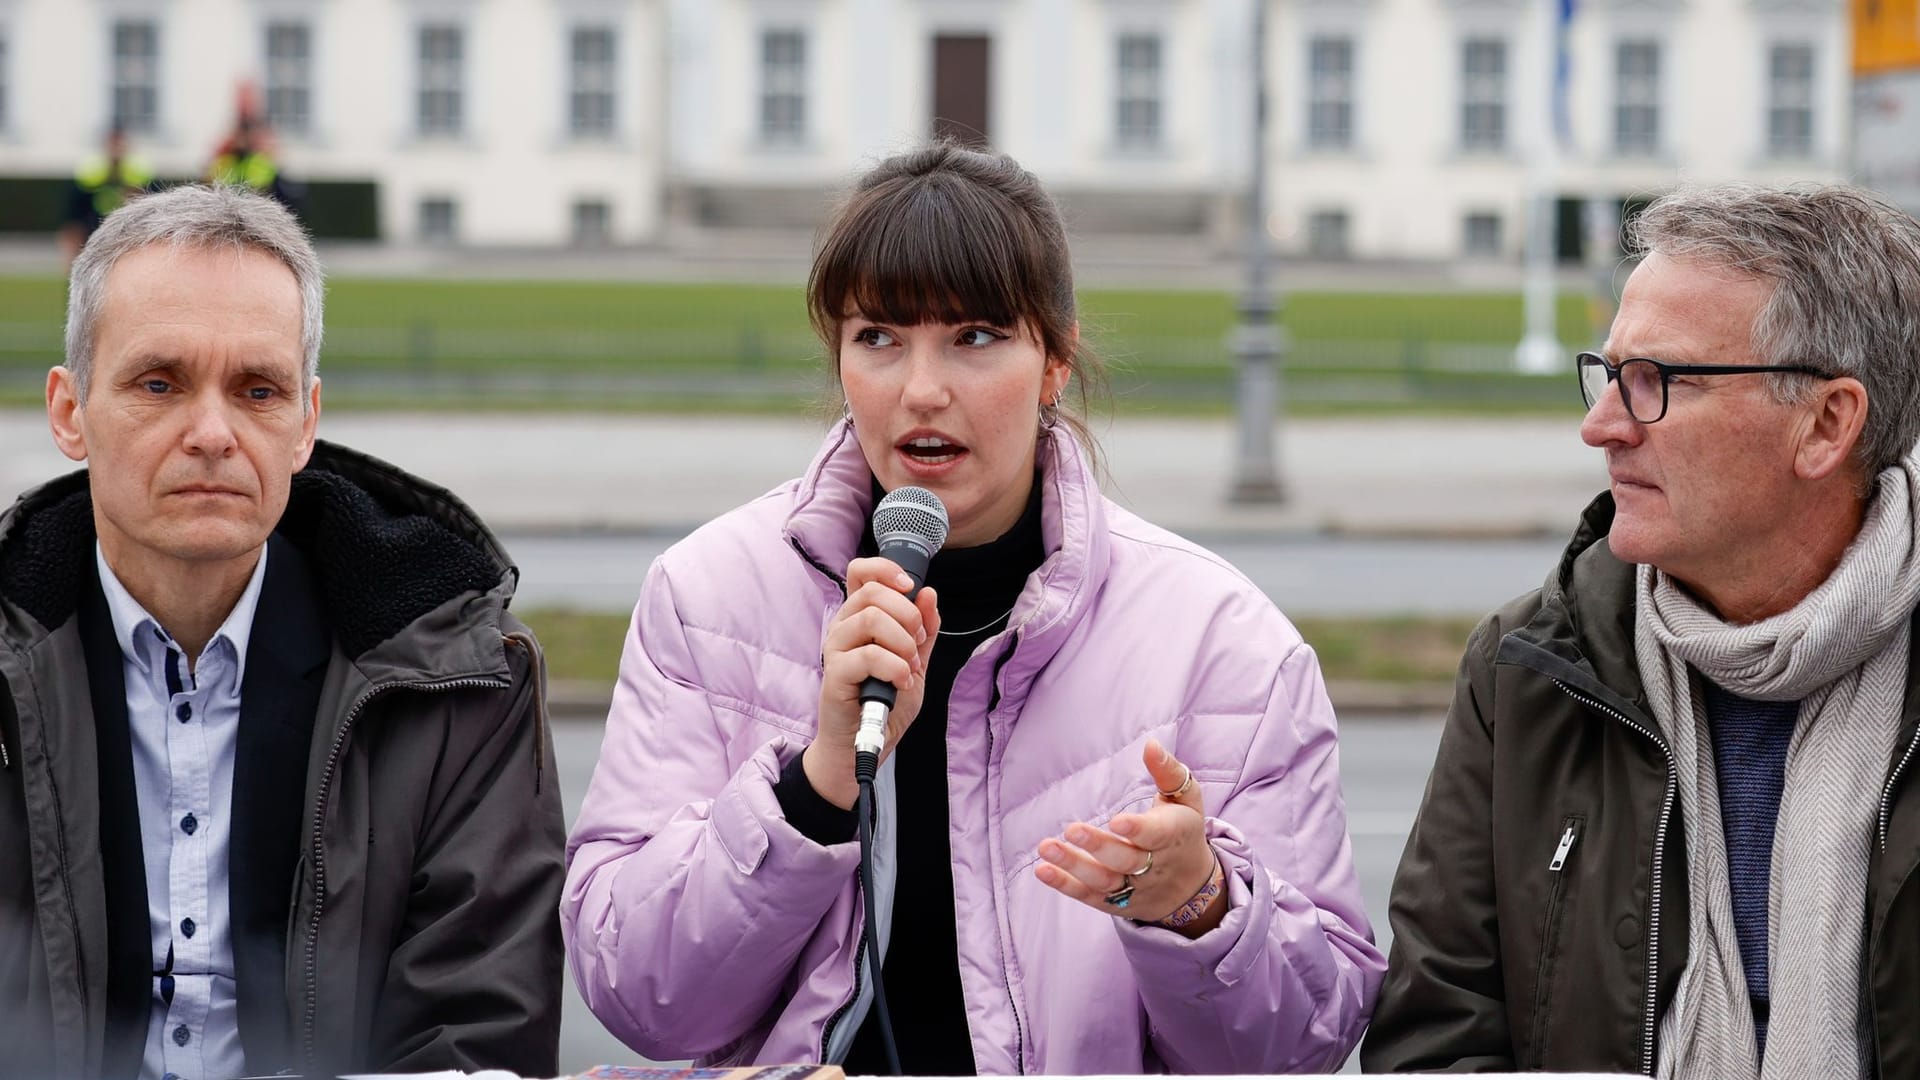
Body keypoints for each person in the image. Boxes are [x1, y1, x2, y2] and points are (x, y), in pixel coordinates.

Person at [562, 143, 1382, 1075]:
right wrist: (816, 785)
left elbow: (1307, 1042)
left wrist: (1199, 907)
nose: (921, 389)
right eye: (877, 337)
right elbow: (638, 993)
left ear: (1055, 363)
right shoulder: (705, 598)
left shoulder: (1224, 643)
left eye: (976, 337)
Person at [0, 185, 565, 1079]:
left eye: (257, 390)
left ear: (306, 422)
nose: (214, 434)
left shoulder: (460, 679)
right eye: (160, 382)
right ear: (70, 412)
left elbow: (476, 1034)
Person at [1362, 183, 1920, 1077]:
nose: (1601, 426)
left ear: (1825, 424)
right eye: (1611, 374)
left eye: (1659, 382)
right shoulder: (1527, 674)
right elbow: (1436, 1041)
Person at [62, 125, 154, 265]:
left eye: (119, 144)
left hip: (128, 238)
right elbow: (74, 218)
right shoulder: (90, 174)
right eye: (113, 144)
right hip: (92, 239)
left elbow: (154, 211)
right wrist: (71, 249)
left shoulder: (139, 173)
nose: (116, 150)